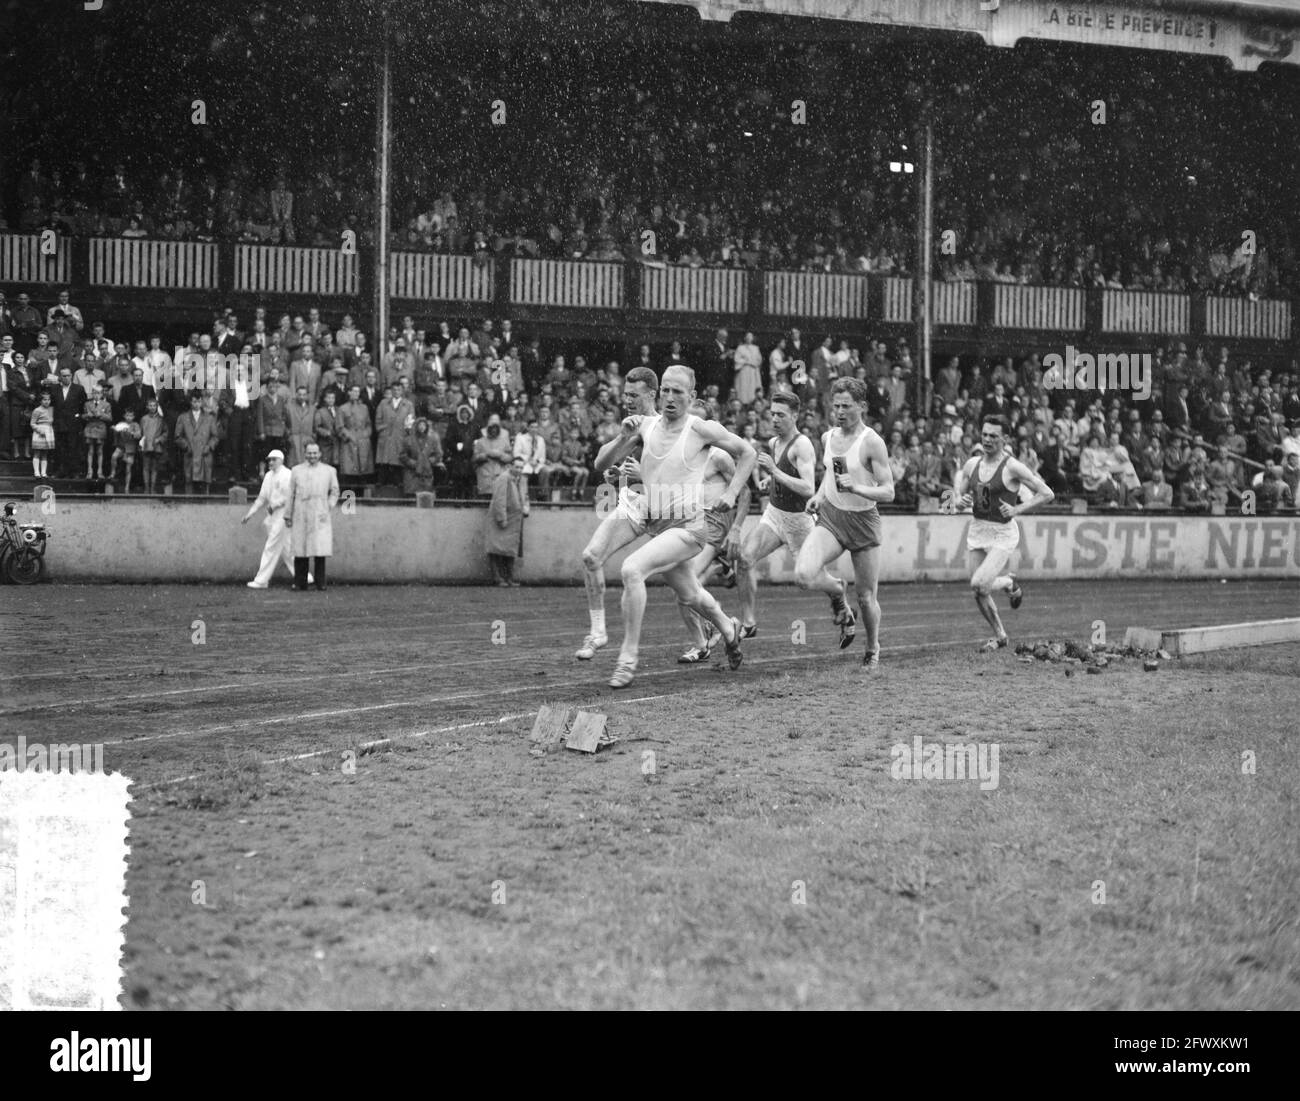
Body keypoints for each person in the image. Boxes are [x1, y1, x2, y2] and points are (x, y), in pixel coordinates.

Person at [594, 365, 755, 688]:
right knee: (690, 594)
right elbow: (601, 464)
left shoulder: (700, 429)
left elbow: (747, 453)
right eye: (665, 390)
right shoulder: (645, 425)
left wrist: (732, 492)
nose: (669, 397)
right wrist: (623, 437)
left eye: (677, 392)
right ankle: (728, 629)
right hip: (660, 527)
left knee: (632, 569)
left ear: (691, 396)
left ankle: (628, 658)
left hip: (690, 529)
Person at [734, 390, 853, 645]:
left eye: (781, 415)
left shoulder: (802, 444)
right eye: (772, 414)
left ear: (795, 416)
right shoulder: (775, 443)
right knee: (744, 559)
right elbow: (784, 477)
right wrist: (771, 479)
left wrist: (775, 471)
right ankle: (748, 622)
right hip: (775, 514)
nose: (774, 420)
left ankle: (837, 589)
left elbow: (809, 488)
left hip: (800, 521)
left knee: (805, 580)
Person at [795, 378, 894, 669]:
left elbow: (888, 491)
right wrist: (819, 494)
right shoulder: (828, 438)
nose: (839, 411)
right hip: (833, 518)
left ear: (862, 407)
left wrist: (858, 488)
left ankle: (872, 647)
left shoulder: (872, 442)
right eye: (835, 405)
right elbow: (831, 472)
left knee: (866, 597)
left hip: (863, 521)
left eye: (846, 406)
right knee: (803, 575)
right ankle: (838, 590)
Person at [574, 366, 660, 660]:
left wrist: (640, 473)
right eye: (625, 394)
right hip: (634, 507)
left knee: (687, 589)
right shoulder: (633, 426)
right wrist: (624, 440)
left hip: (666, 509)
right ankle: (597, 633)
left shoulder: (664, 425)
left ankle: (723, 627)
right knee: (590, 557)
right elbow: (600, 463)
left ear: (651, 394)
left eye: (634, 395)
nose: (627, 400)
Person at [953, 415, 1055, 651]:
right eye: (985, 434)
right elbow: (958, 492)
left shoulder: (1013, 466)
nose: (987, 439)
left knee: (979, 583)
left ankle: (1009, 581)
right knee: (978, 590)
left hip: (1003, 533)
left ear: (1005, 439)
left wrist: (1017, 508)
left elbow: (1047, 493)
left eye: (993, 436)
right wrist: (959, 501)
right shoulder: (972, 464)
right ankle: (1000, 634)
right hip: (978, 529)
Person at [674, 401, 752, 663]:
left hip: (714, 522)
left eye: (700, 421)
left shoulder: (719, 455)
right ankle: (718, 629)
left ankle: (704, 641)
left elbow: (745, 491)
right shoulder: (682, 455)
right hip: (690, 520)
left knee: (688, 582)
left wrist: (736, 529)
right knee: (681, 585)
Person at [284, 442, 339, 591]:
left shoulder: (329, 471)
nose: (312, 456)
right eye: (309, 453)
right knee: (300, 550)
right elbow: (290, 494)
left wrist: (327, 507)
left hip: (319, 512)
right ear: (305, 454)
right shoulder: (296, 471)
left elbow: (335, 492)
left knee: (319, 550)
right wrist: (288, 515)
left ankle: (320, 582)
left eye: (315, 453)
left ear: (320, 454)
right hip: (300, 511)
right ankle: (299, 582)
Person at [487, 455, 530, 585]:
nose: (519, 469)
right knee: (496, 549)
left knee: (510, 550)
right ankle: (498, 578)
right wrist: (501, 518)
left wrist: (526, 509)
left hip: (515, 518)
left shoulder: (522, 479)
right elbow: (499, 500)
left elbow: (525, 496)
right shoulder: (503, 478)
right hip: (503, 517)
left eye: (521, 467)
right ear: (510, 466)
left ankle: (509, 578)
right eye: (516, 466)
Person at [174, 391, 217, 494]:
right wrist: (186, 446)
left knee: (206, 481)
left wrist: (209, 446)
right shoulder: (183, 417)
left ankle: (206, 501)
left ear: (202, 402)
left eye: (198, 401)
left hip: (204, 453)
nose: (196, 404)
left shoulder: (209, 418)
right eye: (194, 401)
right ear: (190, 402)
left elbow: (215, 436)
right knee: (189, 481)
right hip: (190, 453)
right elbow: (177, 436)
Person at [400, 416, 444, 495]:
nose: (422, 427)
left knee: (425, 496)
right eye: (420, 425)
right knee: (411, 495)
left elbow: (439, 453)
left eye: (424, 425)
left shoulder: (432, 440)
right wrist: (411, 462)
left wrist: (431, 460)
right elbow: (402, 455)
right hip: (412, 473)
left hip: (426, 471)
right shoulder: (408, 440)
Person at [107, 408, 142, 491]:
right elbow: (116, 434)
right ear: (124, 416)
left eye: (131, 416)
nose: (129, 417)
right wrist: (114, 430)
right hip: (121, 446)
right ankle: (113, 472)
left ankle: (127, 487)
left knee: (128, 469)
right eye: (127, 415)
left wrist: (130, 432)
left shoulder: (135, 425)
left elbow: (138, 435)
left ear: (133, 417)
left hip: (130, 448)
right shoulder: (120, 424)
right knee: (114, 456)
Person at [139, 396, 168, 494]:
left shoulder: (161, 420)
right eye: (150, 406)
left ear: (157, 407)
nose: (152, 407)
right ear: (147, 407)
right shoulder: (143, 419)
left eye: (154, 406)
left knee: (154, 468)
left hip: (156, 447)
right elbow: (140, 432)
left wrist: (160, 439)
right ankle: (146, 488)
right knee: (146, 467)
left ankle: (153, 488)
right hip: (146, 446)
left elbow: (165, 432)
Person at [30, 390, 54, 478]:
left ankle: (43, 472)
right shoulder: (37, 410)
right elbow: (32, 423)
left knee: (45, 454)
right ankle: (36, 472)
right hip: (39, 433)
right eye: (44, 399)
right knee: (37, 452)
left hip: (48, 432)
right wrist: (39, 430)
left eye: (48, 399)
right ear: (40, 401)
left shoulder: (51, 409)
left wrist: (49, 430)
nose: (46, 401)